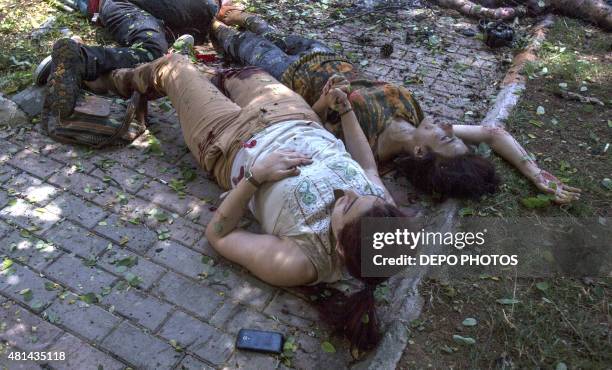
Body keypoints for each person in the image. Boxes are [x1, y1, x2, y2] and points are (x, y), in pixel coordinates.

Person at [95, 53, 404, 351]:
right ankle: (197, 78)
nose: (350, 193)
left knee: (172, 66)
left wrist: (255, 177)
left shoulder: (302, 261)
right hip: (291, 112)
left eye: (348, 205)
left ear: (339, 247)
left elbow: (219, 235)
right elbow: (367, 168)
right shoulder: (376, 209)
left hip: (229, 140)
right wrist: (343, 109)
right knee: (235, 73)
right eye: (362, 194)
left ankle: (108, 77)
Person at [211, 5, 582, 203]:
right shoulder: (416, 117)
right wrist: (536, 174)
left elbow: (309, 126)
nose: (449, 127)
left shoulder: (365, 151)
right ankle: (226, 9)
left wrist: (326, 102)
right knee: (263, 27)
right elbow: (494, 132)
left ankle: (207, 22)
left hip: (286, 76)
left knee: (229, 40)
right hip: (324, 54)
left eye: (446, 137)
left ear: (421, 151)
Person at [43, 0, 219, 117]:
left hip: (155, 18)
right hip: (126, 5)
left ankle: (79, 58)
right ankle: (81, 58)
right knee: (153, 52)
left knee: (154, 50)